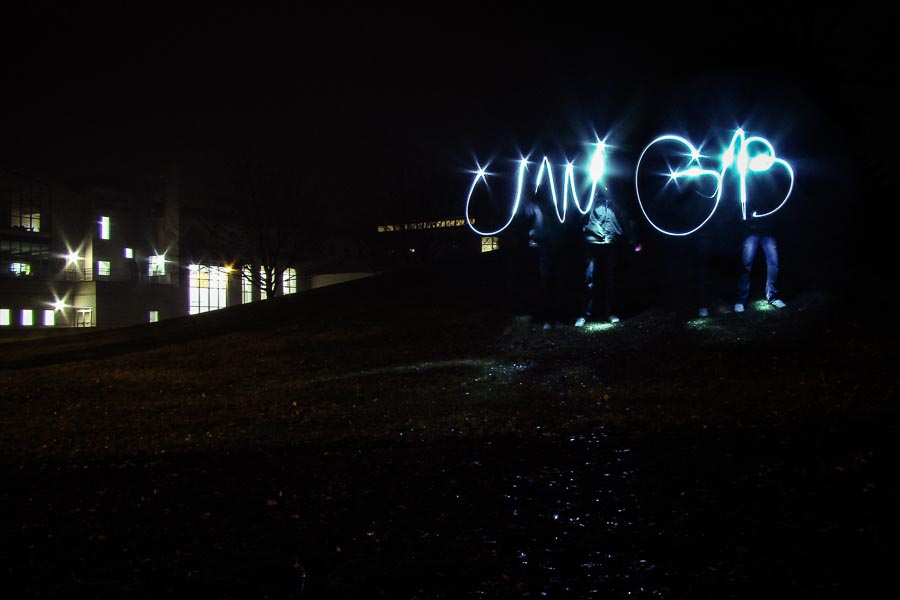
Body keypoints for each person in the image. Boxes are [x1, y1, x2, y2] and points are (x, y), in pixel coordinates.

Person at [574, 192, 641, 327]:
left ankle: (610, 313)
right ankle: (584, 314)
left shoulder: (615, 202)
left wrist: (633, 239)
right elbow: (580, 215)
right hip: (593, 243)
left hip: (610, 243)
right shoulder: (590, 200)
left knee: (610, 278)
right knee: (589, 279)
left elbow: (624, 219)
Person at [519, 192, 567, 329]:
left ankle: (555, 318)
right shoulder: (535, 207)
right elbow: (524, 214)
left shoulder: (557, 208)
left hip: (555, 248)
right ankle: (547, 318)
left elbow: (563, 224)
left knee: (556, 283)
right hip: (544, 248)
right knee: (545, 283)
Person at [734, 216, 785, 312]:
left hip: (767, 226)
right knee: (746, 263)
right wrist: (745, 216)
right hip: (751, 227)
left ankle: (773, 296)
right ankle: (740, 300)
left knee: (773, 263)